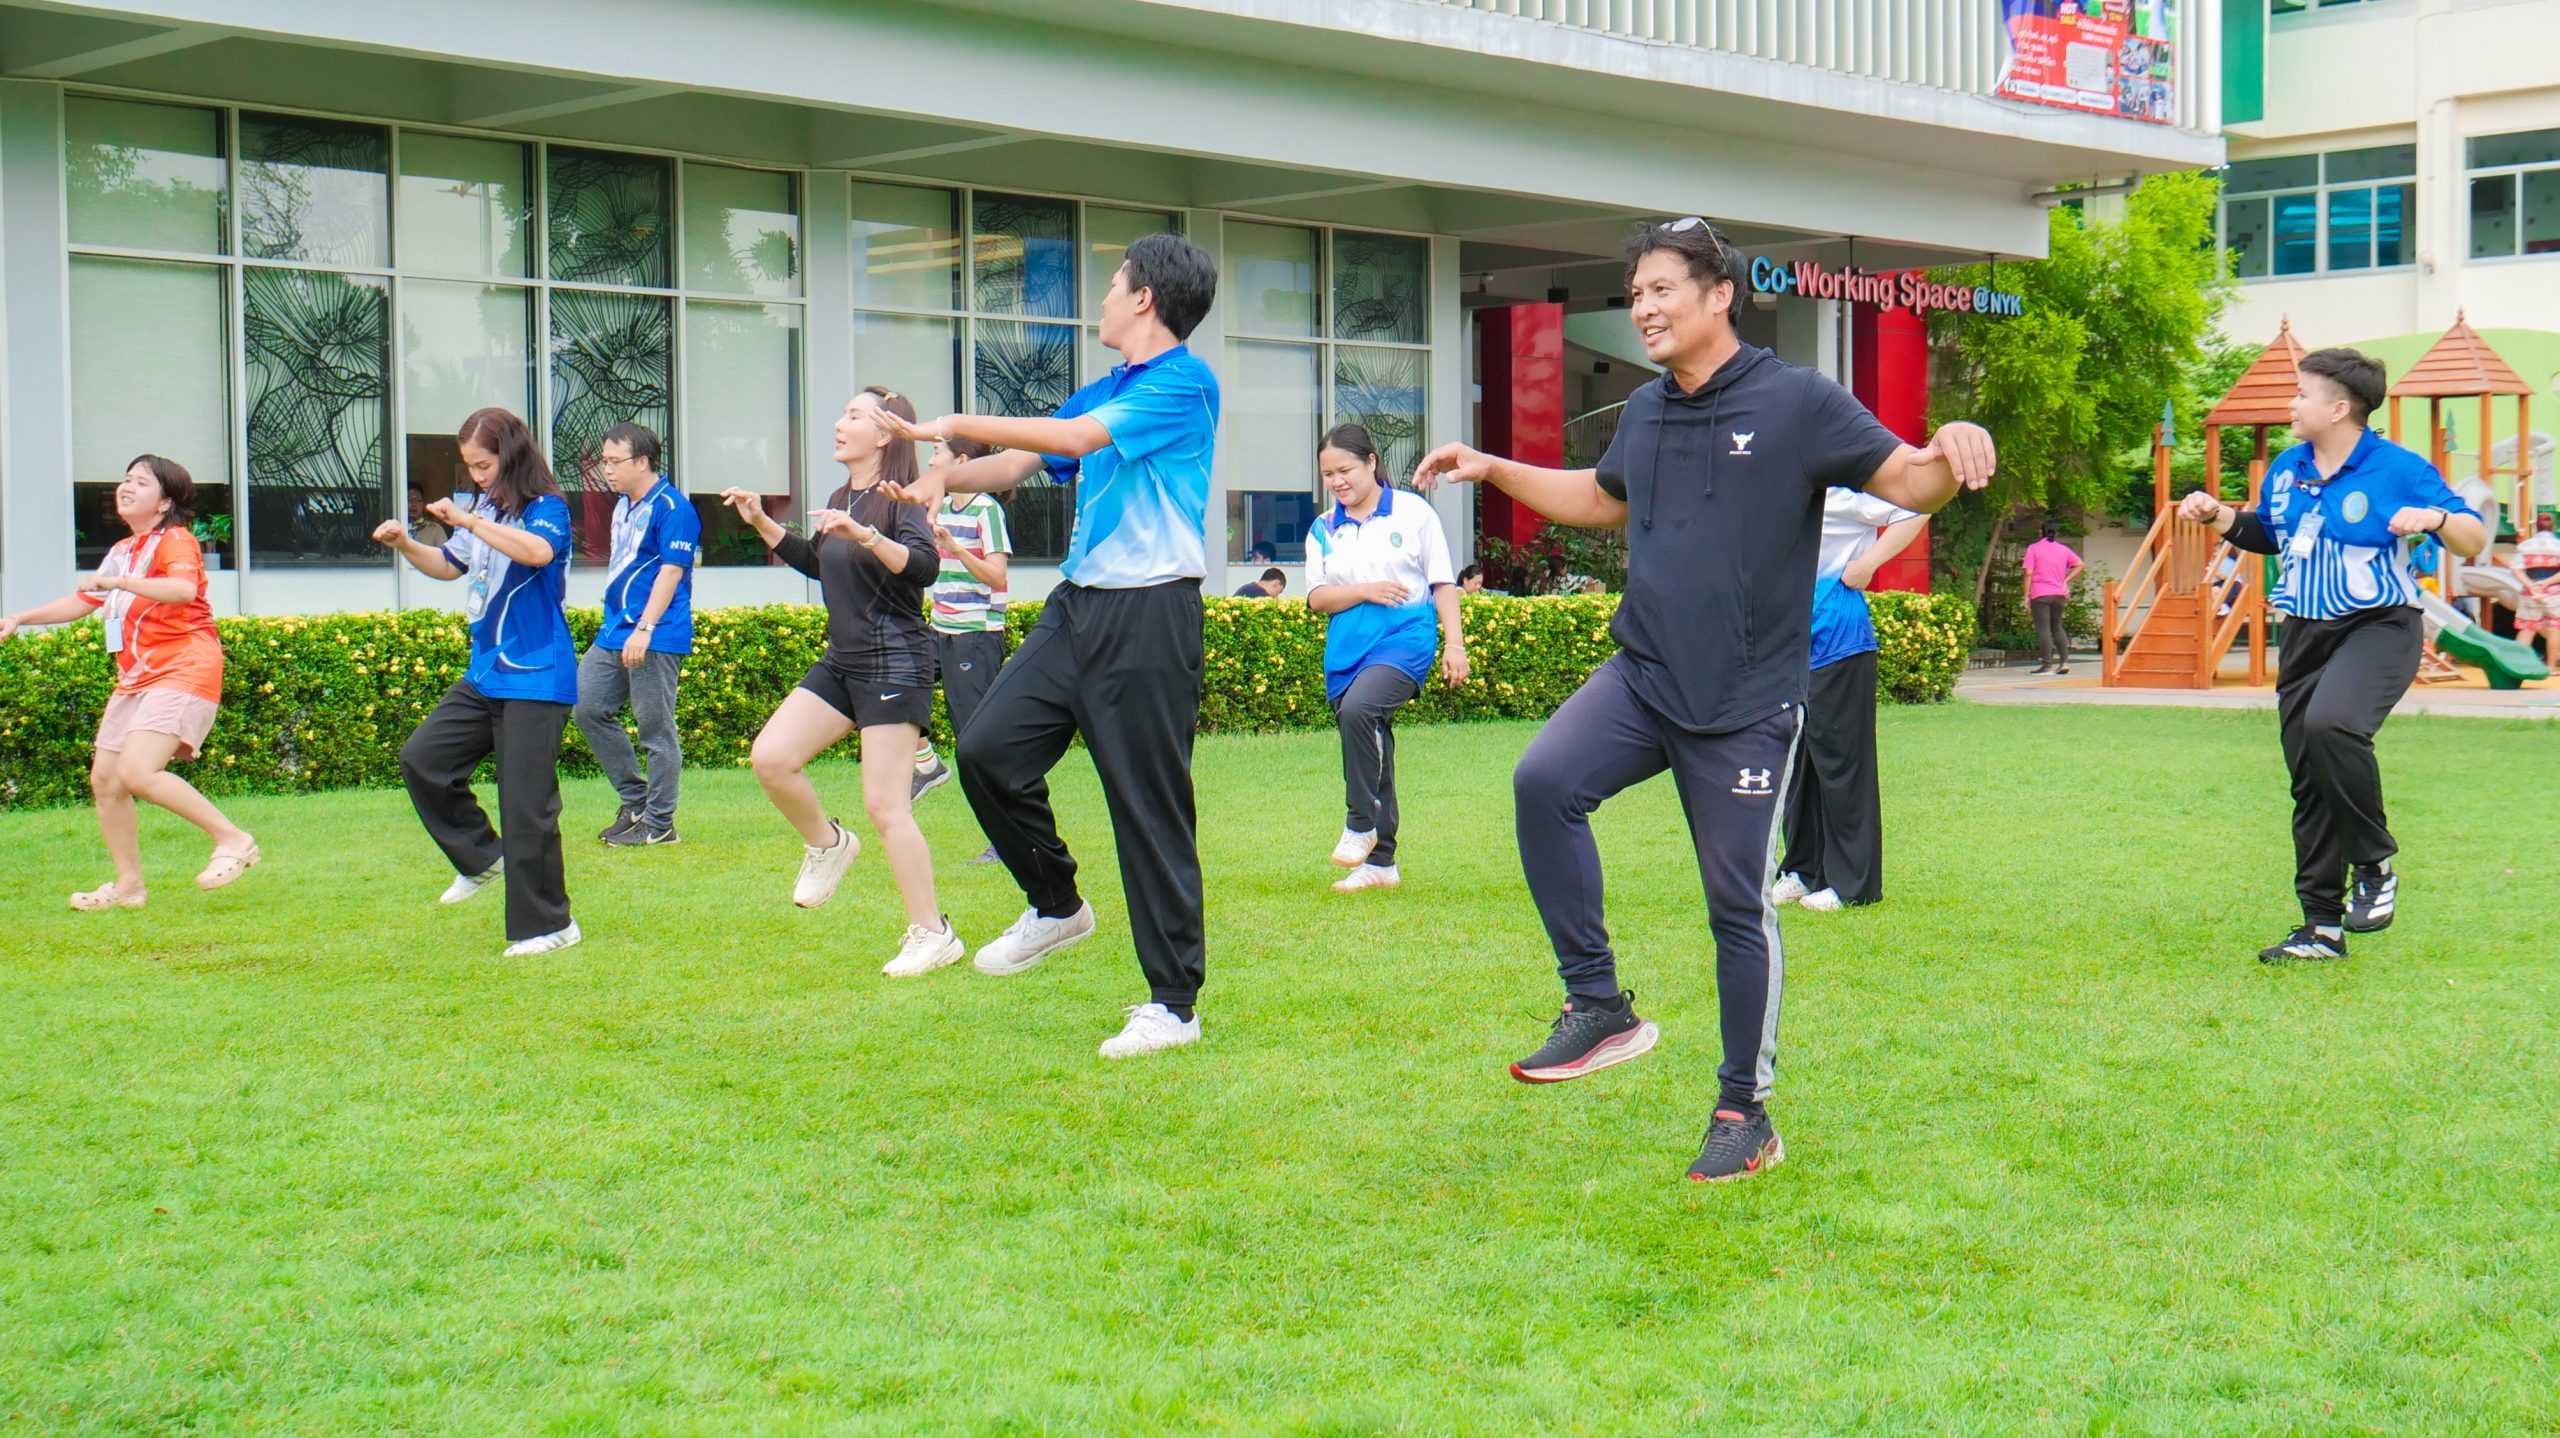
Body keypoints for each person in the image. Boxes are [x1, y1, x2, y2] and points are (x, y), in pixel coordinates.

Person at [1411, 217, 1995, 1182]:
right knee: (1544, 783)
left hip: (1747, 702)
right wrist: (1495, 466)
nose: (1643, 308)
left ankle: (1743, 1110)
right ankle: (1598, 1005)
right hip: (1644, 674)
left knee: (1735, 906)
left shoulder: (1797, 400)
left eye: (1661, 290)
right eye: (1635, 292)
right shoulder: (1646, 411)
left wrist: (1951, 443)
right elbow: (1603, 498)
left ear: (1719, 295)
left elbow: (1907, 480)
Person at [874, 232, 1220, 1059]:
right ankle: (1057, 903)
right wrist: (941, 476)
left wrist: (943, 426)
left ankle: (1174, 1006)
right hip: (1078, 608)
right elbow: (1015, 464)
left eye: (1113, 284)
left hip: (1150, 614)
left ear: (1145, 298)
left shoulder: (1183, 384)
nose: (1102, 297)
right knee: (987, 750)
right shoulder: (1108, 388)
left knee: (1147, 807)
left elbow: (1073, 442)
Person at [2176, 347, 2487, 962]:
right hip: (2303, 633)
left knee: (2332, 725)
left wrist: (2432, 517)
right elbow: (2271, 534)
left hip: (2378, 626)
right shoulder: (2288, 467)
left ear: (2340, 407)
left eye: (2301, 394)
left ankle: (2374, 863)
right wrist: (2218, 515)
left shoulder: (2399, 467)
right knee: (2311, 779)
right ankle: (2321, 928)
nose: (2290, 404)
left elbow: (2473, 538)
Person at [719, 387, 961, 978]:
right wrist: (762, 522)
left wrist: (868, 535)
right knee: (772, 758)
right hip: (843, 661)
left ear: (883, 433)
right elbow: (819, 561)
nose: (839, 423)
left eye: (853, 415)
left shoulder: (900, 497)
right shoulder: (840, 497)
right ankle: (828, 844)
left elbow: (925, 567)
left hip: (894, 662)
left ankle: (933, 934)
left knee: (885, 806)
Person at [1, 455, 259, 909]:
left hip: (182, 667)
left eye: (141, 482)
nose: (127, 487)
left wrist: (121, 581)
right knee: (106, 781)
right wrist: (20, 618)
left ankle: (233, 839)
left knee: (138, 772)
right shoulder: (123, 549)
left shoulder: (175, 541)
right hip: (137, 677)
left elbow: (182, 591)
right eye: (126, 479)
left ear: (164, 503)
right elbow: (84, 601)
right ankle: (129, 887)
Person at [373, 408, 582, 957]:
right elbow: (449, 565)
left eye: (483, 465)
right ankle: (483, 858)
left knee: (526, 805)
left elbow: (537, 552)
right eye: (470, 467)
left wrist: (468, 521)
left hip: (535, 674)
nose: (477, 476)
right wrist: (405, 543)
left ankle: (551, 926)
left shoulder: (547, 508)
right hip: (486, 673)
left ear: (510, 457)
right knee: (424, 759)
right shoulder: (485, 508)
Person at [1305, 423, 1469, 894]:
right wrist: (1364, 591)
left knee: (1362, 710)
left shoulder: (1413, 513)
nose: (1337, 481)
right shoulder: (1323, 528)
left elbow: (1442, 582)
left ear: (1371, 462)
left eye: (1345, 470)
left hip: (1405, 638)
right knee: (1370, 738)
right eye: (1328, 474)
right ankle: (1382, 862)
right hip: (1347, 650)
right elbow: (1317, 597)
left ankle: (1361, 822)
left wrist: (1454, 644)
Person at [1770, 490, 1927, 913]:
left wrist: (1868, 564)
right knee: (1798, 765)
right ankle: (1802, 871)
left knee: (1842, 765)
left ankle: (1852, 884)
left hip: (1840, 643)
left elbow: (1917, 508)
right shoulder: (1781, 487)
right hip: (1791, 647)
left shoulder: (1843, 491)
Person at [572, 423, 698, 847]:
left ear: (642, 461)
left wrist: (645, 628)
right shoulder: (624, 505)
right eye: (603, 461)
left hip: (656, 633)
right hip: (614, 630)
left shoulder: (673, 507)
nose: (606, 470)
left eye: (614, 461)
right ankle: (636, 802)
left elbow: (671, 572)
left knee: (655, 730)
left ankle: (660, 826)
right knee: (587, 707)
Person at [909, 435, 1013, 869]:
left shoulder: (987, 509)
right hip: (939, 629)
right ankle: (926, 763)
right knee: (895, 685)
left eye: (938, 453)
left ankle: (1006, 839)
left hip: (975, 635)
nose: (931, 460)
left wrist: (955, 548)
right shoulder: (940, 506)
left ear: (963, 460)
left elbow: (997, 576)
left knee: (975, 744)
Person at [2021, 522, 2082, 674]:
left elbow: (2028, 573)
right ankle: (2064, 662)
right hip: (2059, 594)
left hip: (2040, 593)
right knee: (2057, 626)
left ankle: (2047, 665)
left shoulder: (2034, 548)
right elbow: (2080, 564)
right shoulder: (2063, 549)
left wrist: (2026, 596)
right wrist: (2065, 581)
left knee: (2044, 629)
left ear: (2040, 532)